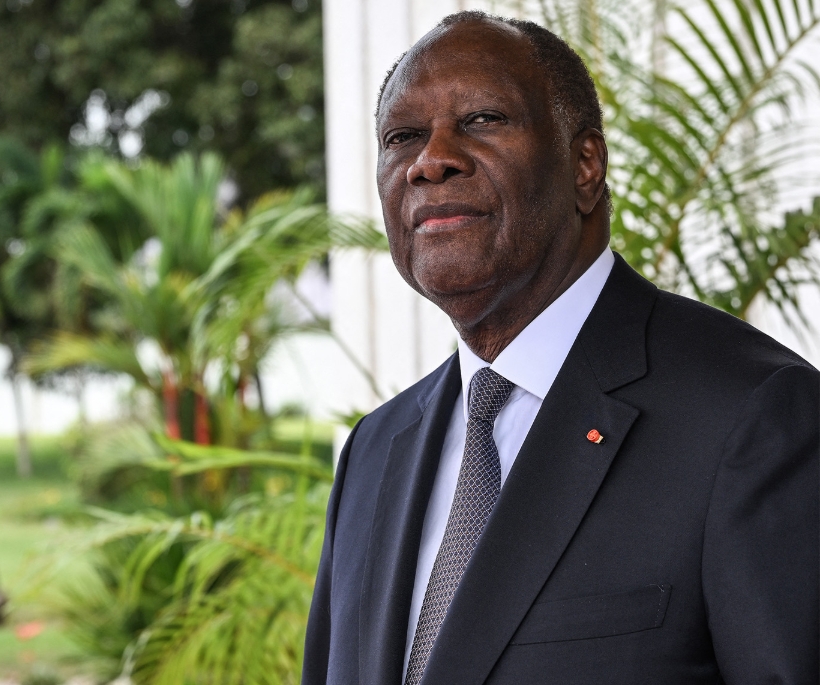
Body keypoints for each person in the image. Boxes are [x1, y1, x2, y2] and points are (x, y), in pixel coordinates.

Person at [301, 11, 819, 685]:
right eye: (403, 135)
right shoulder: (373, 450)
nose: (431, 160)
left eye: (482, 119)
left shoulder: (749, 417)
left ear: (585, 164)